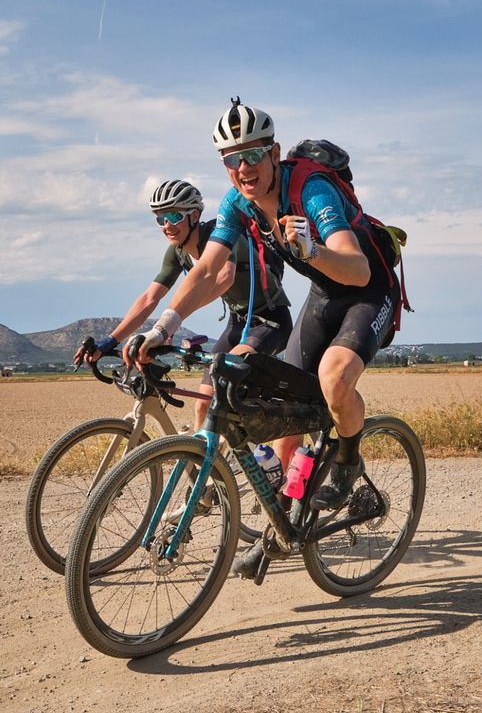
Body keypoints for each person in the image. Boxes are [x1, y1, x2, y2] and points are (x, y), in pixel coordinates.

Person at [127, 100, 399, 523]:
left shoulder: (311, 191)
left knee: (332, 377)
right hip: (325, 296)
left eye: (253, 154)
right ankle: (285, 528)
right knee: (289, 414)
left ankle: (348, 461)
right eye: (232, 158)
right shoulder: (238, 203)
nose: (243, 166)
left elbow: (359, 270)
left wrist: (312, 250)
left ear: (274, 154)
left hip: (369, 292)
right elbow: (204, 271)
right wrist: (162, 328)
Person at [78, 178, 293, 434]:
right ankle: (206, 467)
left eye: (173, 216)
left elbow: (224, 277)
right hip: (237, 323)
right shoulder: (177, 252)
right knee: (203, 403)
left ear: (194, 216)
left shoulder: (220, 235)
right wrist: (111, 340)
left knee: (226, 388)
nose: (167, 225)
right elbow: (149, 298)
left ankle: (261, 457)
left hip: (270, 321)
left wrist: (170, 325)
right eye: (160, 219)